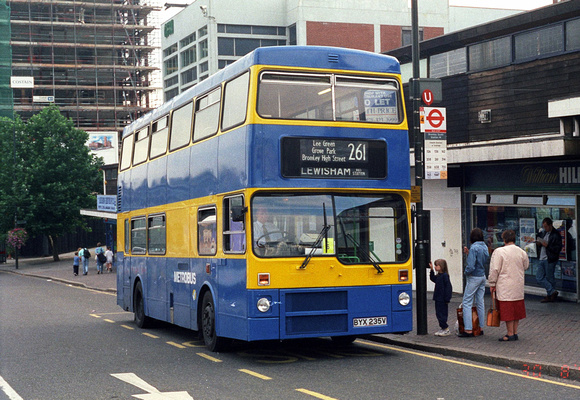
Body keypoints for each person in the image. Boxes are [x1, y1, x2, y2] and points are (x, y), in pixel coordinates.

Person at [488, 229, 529, 341]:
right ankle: (515, 332)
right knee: (516, 310)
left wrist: (492, 283)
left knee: (508, 311)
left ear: (504, 239)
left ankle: (509, 333)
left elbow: (494, 269)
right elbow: (526, 266)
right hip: (518, 285)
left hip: (505, 285)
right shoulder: (521, 252)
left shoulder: (499, 252)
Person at [459, 228, 489, 338]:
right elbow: (483, 260)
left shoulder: (474, 248)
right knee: (480, 302)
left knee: (467, 302)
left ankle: (468, 330)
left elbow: (471, 266)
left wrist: (466, 272)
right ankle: (480, 328)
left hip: (474, 277)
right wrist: (468, 253)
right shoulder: (484, 246)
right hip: (482, 276)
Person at [535, 217, 562, 303]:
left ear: (550, 225)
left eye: (546, 226)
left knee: (550, 277)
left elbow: (557, 249)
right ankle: (552, 291)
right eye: (544, 227)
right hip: (542, 257)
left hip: (550, 258)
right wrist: (539, 243)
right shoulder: (543, 233)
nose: (545, 228)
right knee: (539, 277)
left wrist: (547, 246)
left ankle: (550, 295)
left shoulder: (556, 235)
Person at [429, 259, 453, 336]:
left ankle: (446, 329)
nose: (435, 267)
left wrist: (447, 298)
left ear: (442, 267)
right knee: (438, 313)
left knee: (442, 314)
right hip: (438, 298)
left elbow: (448, 287)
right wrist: (431, 269)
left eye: (437, 265)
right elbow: (433, 278)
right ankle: (443, 328)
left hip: (442, 298)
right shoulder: (439, 276)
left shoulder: (445, 276)